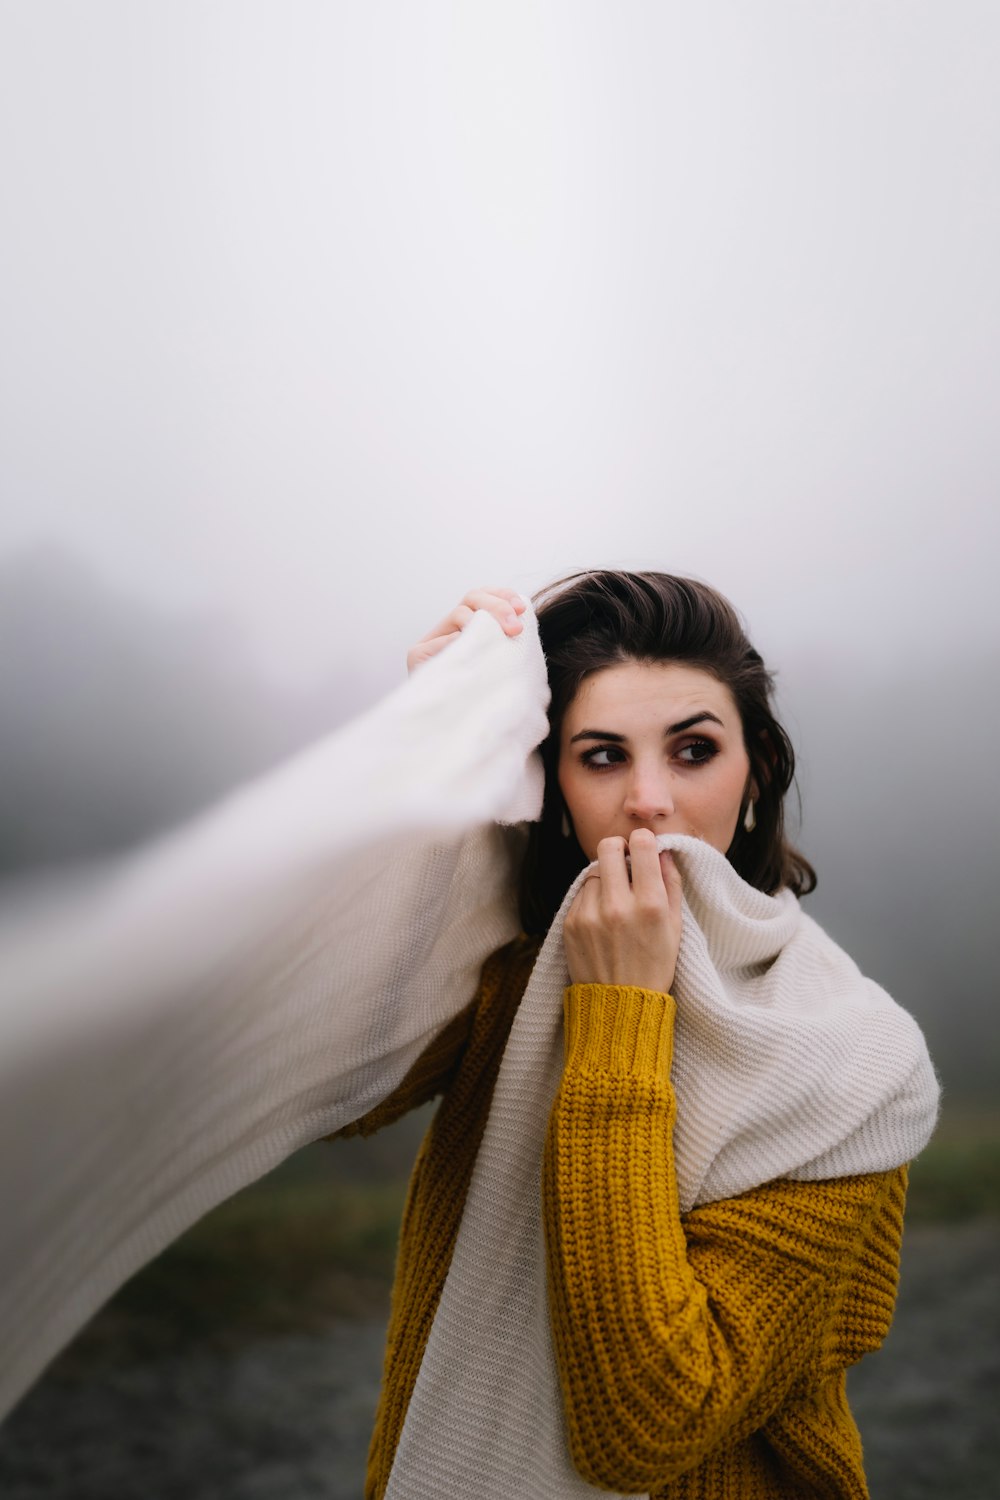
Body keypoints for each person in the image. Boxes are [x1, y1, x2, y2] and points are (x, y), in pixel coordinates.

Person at [334, 571, 938, 1500]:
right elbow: (331, 1087)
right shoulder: (515, 974)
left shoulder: (861, 1061)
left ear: (759, 772)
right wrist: (431, 763)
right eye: (603, 756)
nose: (649, 799)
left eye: (694, 750)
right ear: (555, 785)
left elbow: (649, 1423)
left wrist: (619, 1018)